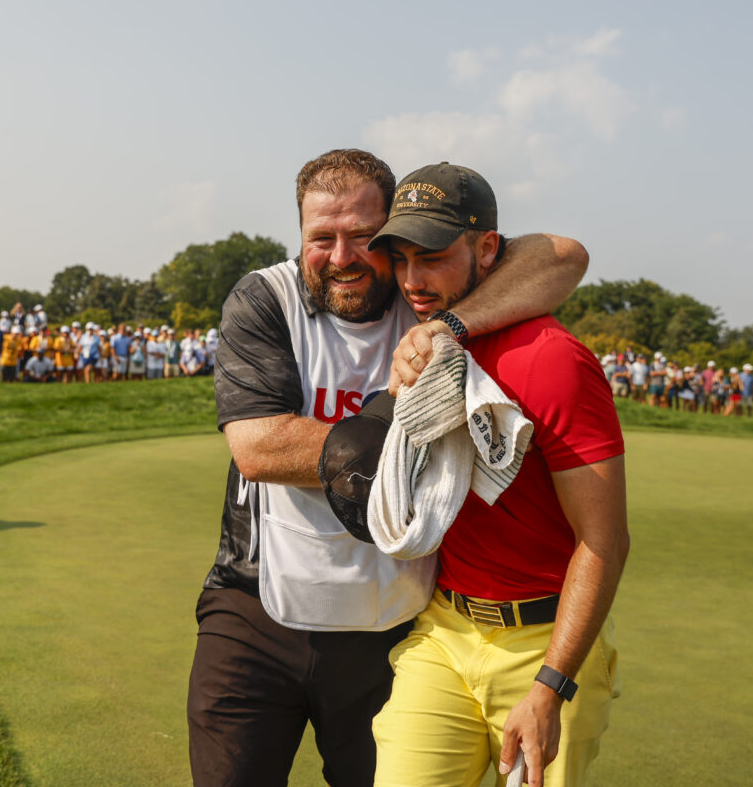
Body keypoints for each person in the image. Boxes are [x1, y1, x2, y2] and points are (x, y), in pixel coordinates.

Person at [187, 149, 590, 787]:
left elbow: (564, 255)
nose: (342, 255)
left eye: (364, 239)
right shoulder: (266, 298)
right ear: (299, 236)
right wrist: (392, 437)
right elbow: (259, 449)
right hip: (255, 607)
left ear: (396, 235)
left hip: (392, 624)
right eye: (321, 237)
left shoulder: (426, 289)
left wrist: (450, 325)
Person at [368, 162, 626, 787]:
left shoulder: (555, 359)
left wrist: (551, 686)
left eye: (430, 255)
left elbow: (604, 541)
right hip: (444, 632)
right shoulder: (421, 338)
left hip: (543, 646)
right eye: (400, 259)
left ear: (486, 249)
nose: (412, 280)